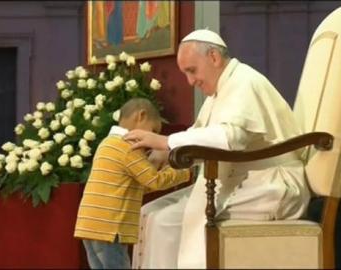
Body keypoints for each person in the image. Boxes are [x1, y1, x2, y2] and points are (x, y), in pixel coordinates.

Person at [124, 29, 311, 269]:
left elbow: (231, 139)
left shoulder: (244, 81)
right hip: (242, 178)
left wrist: (164, 141)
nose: (191, 82)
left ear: (213, 57)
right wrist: (164, 154)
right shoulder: (219, 92)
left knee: (165, 222)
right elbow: (200, 136)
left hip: (272, 182)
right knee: (150, 213)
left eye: (192, 71)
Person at [74, 98, 190, 269]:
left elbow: (133, 188)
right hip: (111, 228)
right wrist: (184, 172)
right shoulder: (129, 147)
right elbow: (154, 180)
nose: (152, 139)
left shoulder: (107, 143)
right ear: (141, 116)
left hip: (89, 226)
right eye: (153, 131)